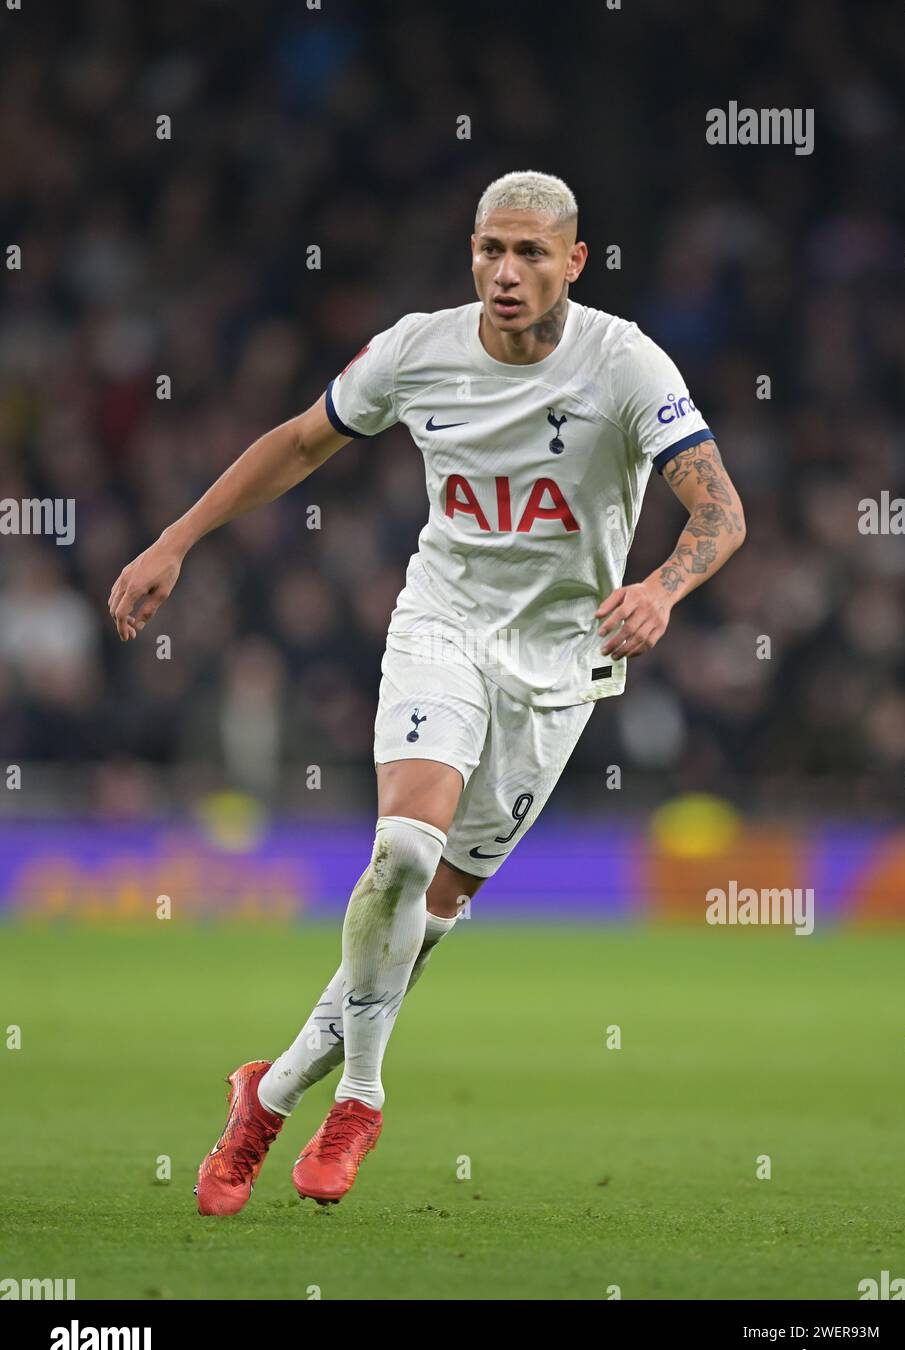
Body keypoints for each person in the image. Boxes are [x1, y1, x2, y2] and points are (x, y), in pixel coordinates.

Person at [108, 170, 746, 1216]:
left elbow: (721, 510)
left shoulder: (626, 362)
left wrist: (666, 587)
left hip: (558, 669)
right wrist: (178, 538)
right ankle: (360, 1095)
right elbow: (300, 440)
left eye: (532, 253)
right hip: (440, 628)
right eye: (491, 248)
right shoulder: (416, 348)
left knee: (430, 920)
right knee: (401, 853)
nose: (507, 270)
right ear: (471, 252)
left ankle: (263, 1095)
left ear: (574, 263)